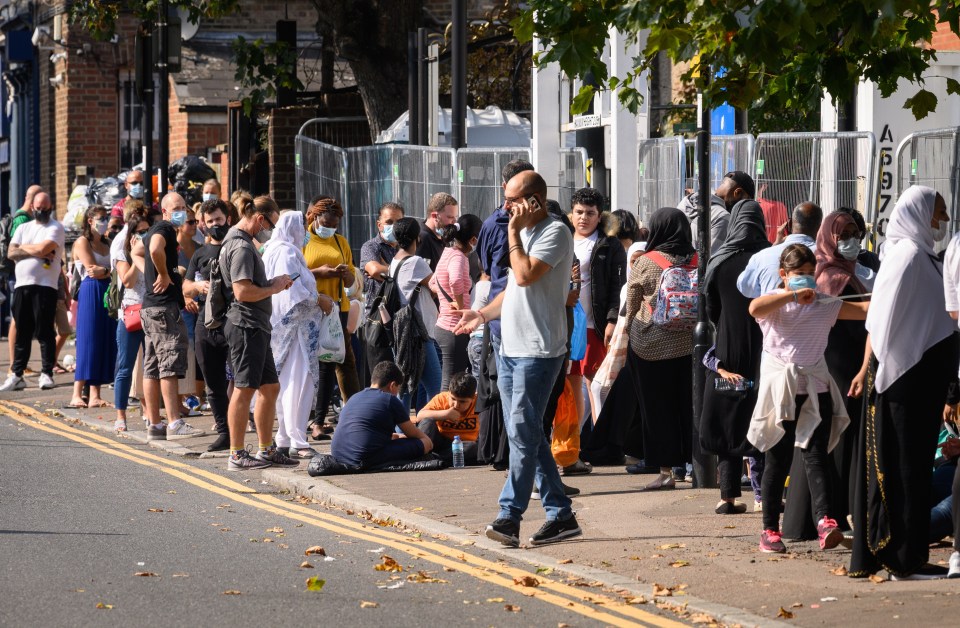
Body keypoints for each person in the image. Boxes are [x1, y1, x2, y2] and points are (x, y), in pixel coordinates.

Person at [456, 170, 581, 548]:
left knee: (524, 434)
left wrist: (513, 232)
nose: (505, 207)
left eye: (511, 200)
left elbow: (526, 275)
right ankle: (561, 515)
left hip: (539, 351)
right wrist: (481, 314)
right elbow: (512, 292)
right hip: (511, 349)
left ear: (535, 201)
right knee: (525, 434)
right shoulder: (523, 233)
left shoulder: (556, 232)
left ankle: (510, 516)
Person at [850, 185, 959, 580]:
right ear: (918, 214)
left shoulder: (921, 256)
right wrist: (877, 370)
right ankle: (897, 556)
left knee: (914, 473)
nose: (942, 222)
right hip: (903, 384)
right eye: (937, 214)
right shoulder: (908, 257)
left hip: (919, 385)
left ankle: (909, 555)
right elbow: (881, 320)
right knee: (904, 472)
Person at [747, 244, 868, 554]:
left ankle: (825, 521)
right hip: (782, 389)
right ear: (783, 275)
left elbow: (865, 311)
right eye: (799, 275)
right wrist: (791, 294)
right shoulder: (776, 306)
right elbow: (754, 309)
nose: (807, 281)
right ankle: (770, 530)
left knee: (817, 456)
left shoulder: (825, 305)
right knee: (779, 459)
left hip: (816, 387)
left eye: (810, 275)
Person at [782, 210, 874, 539]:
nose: (851, 239)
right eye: (844, 232)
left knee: (820, 442)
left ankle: (811, 520)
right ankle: (832, 516)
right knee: (831, 440)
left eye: (855, 232)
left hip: (835, 366)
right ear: (829, 235)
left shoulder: (840, 271)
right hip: (837, 368)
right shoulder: (830, 276)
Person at [699, 200, 770, 514]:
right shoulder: (768, 258)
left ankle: (727, 495)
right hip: (763, 343)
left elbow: (711, 306)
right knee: (760, 415)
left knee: (728, 414)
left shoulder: (721, 259)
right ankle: (761, 495)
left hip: (729, 341)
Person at [219, 194, 297, 470]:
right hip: (245, 325)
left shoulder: (243, 242)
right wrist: (273, 288)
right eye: (271, 224)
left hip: (257, 325)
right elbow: (242, 291)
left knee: (270, 386)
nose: (272, 231)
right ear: (260, 218)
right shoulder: (240, 247)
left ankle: (266, 449)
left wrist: (271, 283)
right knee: (244, 389)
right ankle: (237, 453)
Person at [623, 207, 697, 491]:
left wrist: (630, 331)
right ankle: (693, 466)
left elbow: (632, 305)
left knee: (657, 410)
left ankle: (666, 472)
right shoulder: (697, 258)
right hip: (691, 345)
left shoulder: (645, 262)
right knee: (688, 407)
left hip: (651, 346)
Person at [133, 192, 205, 440]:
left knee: (151, 368)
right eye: (176, 207)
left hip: (151, 308)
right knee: (168, 367)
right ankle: (174, 421)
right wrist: (162, 275)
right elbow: (152, 250)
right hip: (163, 309)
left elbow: (137, 252)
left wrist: (167, 273)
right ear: (164, 211)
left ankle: (155, 424)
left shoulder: (156, 229)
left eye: (184, 207)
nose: (181, 211)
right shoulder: (163, 229)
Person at [263, 211, 335, 459]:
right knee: (298, 383)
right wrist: (319, 299)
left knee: (288, 384)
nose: (305, 232)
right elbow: (291, 289)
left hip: (290, 329)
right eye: (302, 226)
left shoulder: (277, 249)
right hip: (296, 331)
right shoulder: (287, 252)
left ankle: (286, 437)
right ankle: (297, 440)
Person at [567, 188, 626, 427]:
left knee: (595, 383)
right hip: (564, 323)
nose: (583, 217)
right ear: (571, 214)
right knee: (568, 385)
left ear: (599, 215)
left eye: (590, 213)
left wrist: (612, 319)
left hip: (594, 324)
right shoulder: (561, 239)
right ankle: (571, 441)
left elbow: (617, 287)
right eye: (578, 212)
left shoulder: (609, 245)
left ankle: (599, 438)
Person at [303, 196, 361, 436]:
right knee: (318, 366)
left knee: (343, 361)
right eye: (326, 222)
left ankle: (356, 413)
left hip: (337, 308)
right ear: (315, 218)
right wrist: (319, 272)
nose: (330, 228)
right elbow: (294, 272)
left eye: (335, 224)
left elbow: (352, 279)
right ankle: (314, 419)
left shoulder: (340, 242)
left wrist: (346, 275)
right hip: (310, 308)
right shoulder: (303, 239)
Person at [182, 199, 234, 451]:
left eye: (219, 220)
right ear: (203, 223)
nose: (215, 225)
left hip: (234, 323)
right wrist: (196, 287)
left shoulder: (237, 247)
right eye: (210, 221)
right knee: (213, 383)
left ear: (228, 220)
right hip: (206, 323)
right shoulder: (200, 254)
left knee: (238, 380)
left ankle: (237, 429)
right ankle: (224, 432)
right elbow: (186, 286)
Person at [1, 192, 63, 392]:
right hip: (22, 285)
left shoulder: (55, 227)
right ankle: (17, 374)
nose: (41, 211)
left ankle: (47, 373)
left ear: (50, 206)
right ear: (32, 206)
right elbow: (11, 252)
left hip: (46, 285)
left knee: (45, 331)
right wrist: (37, 250)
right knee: (22, 332)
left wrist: (25, 249)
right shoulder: (23, 227)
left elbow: (46, 248)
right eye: (38, 207)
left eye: (44, 207)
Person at [331, 360, 433, 468]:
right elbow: (415, 434)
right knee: (425, 443)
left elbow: (368, 432)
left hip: (338, 455)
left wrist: (400, 437)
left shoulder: (354, 397)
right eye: (398, 389)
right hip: (363, 458)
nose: (397, 394)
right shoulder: (389, 400)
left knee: (398, 438)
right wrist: (429, 442)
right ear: (392, 385)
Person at [67, 205, 117, 408]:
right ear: (90, 221)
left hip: (108, 292)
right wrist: (110, 271)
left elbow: (114, 268)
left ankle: (95, 394)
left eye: (107, 217)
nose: (105, 221)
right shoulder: (82, 242)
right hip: (91, 291)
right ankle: (76, 394)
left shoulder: (109, 242)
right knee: (88, 340)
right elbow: (91, 270)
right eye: (101, 218)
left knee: (104, 340)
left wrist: (107, 271)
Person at [389, 217, 441, 410]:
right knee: (435, 387)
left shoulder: (394, 261)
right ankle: (431, 431)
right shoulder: (416, 262)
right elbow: (436, 287)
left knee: (406, 386)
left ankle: (401, 431)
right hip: (419, 333)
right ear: (417, 238)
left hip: (402, 330)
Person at [430, 213, 482, 390]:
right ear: (473, 239)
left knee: (447, 381)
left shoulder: (447, 253)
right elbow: (455, 281)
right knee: (450, 384)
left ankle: (442, 417)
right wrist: (459, 305)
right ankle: (439, 418)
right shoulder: (459, 257)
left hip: (443, 326)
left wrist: (447, 299)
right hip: (454, 328)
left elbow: (432, 282)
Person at [737, 201, 822, 298]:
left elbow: (746, 288)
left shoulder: (762, 256)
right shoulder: (828, 257)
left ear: (789, 224)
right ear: (820, 228)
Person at [112, 213, 149, 432]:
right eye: (140, 232)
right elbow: (127, 281)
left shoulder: (153, 252)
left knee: (152, 368)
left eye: (147, 231)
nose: (145, 235)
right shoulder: (121, 253)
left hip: (152, 313)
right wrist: (136, 257)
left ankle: (150, 413)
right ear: (131, 235)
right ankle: (121, 416)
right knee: (125, 367)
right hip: (130, 314)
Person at [359, 202, 405, 375]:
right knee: (381, 376)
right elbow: (375, 270)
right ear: (379, 224)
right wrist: (400, 269)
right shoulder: (371, 247)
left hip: (401, 319)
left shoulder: (405, 248)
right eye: (389, 222)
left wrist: (389, 269)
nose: (393, 227)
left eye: (398, 222)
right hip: (377, 320)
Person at [5, 185, 42, 377]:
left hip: (27, 276)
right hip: (18, 276)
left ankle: (20, 363)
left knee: (22, 320)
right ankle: (13, 364)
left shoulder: (28, 218)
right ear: (33, 199)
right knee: (17, 320)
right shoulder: (21, 219)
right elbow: (16, 249)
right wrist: (39, 249)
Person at [415, 371, 480, 465]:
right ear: (449, 393)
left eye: (462, 402)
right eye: (453, 399)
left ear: (473, 398)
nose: (456, 405)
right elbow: (419, 416)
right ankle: (422, 454)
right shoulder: (442, 398)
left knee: (474, 447)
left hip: (462, 445)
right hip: (439, 441)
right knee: (427, 421)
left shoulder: (478, 403)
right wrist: (445, 414)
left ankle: (434, 458)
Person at [417, 192, 460, 272]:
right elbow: (422, 275)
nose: (454, 222)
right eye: (450, 217)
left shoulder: (443, 235)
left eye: (456, 217)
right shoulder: (423, 238)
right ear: (435, 216)